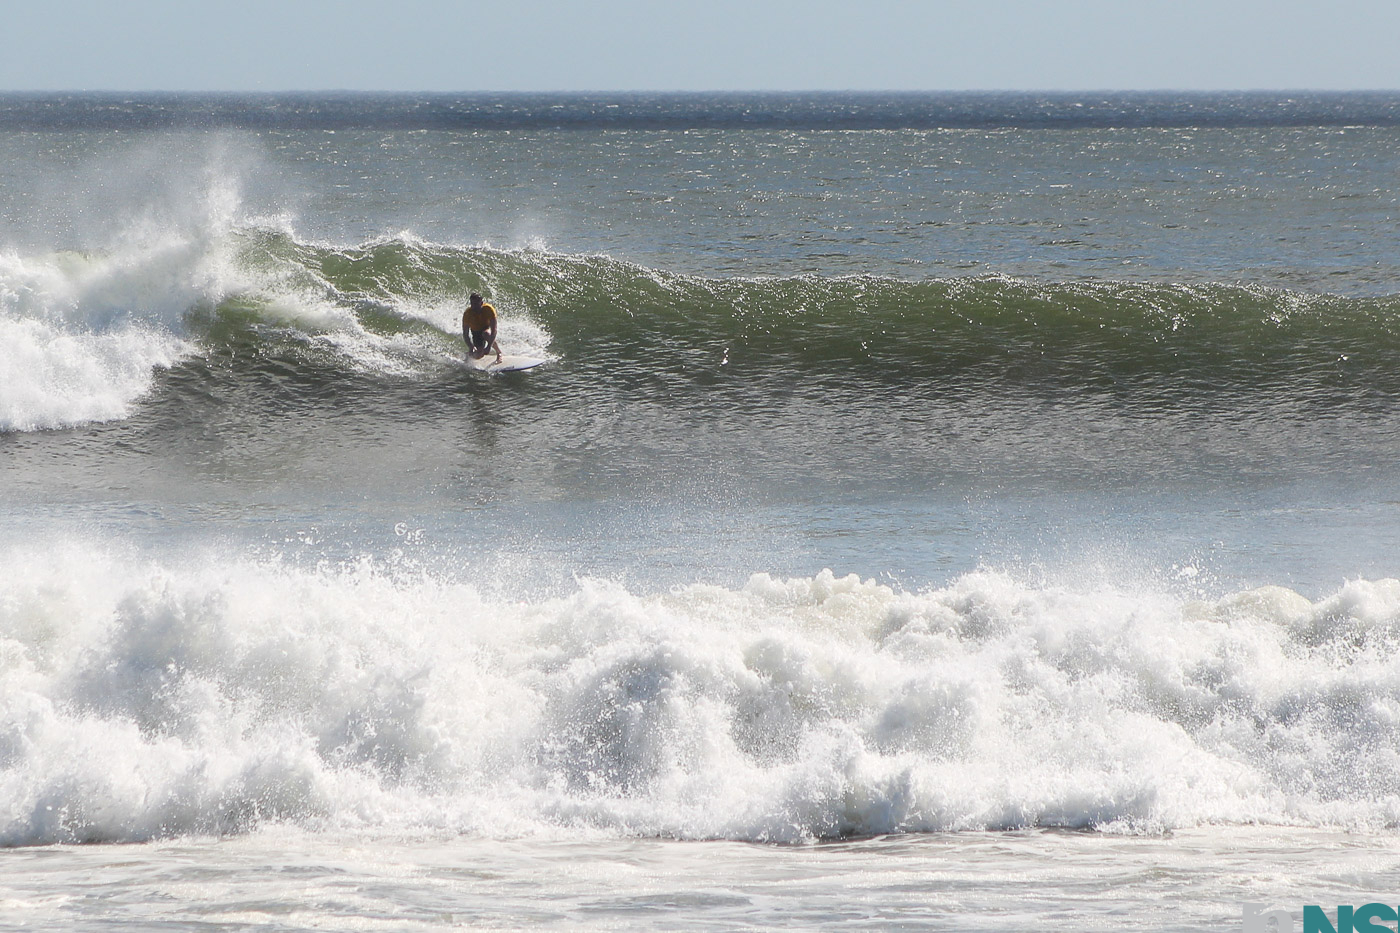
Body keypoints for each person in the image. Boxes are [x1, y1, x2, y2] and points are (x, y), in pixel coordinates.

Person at [462, 292, 503, 364]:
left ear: (481, 303)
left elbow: (494, 330)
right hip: (475, 332)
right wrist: (471, 347)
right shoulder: (467, 314)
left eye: (476, 304)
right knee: (478, 355)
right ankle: (469, 353)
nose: (474, 307)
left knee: (486, 333)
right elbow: (465, 334)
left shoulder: (489, 309)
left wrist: (489, 346)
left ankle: (499, 352)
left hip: (485, 328)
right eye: (472, 304)